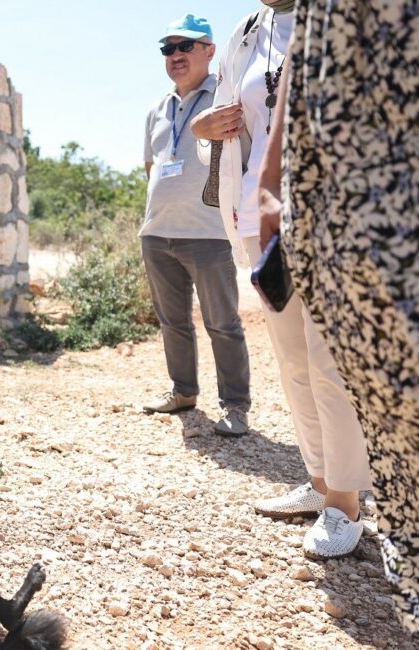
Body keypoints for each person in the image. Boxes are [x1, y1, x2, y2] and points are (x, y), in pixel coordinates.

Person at [258, 0, 419, 631]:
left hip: (386, 198)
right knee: (313, 366)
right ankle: (331, 485)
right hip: (321, 208)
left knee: (362, 378)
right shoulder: (307, 19)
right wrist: (268, 189)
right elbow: (294, 86)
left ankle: (348, 500)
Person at [191, 0, 373, 559]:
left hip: (333, 219)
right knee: (294, 362)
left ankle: (346, 502)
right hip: (259, 217)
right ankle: (320, 483)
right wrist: (203, 128)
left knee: (330, 362)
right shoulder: (248, 32)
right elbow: (226, 123)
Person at [139, 15, 252, 437]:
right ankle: (183, 392)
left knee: (222, 324)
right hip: (157, 234)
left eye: (185, 45)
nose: (176, 55)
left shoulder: (225, 97)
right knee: (173, 323)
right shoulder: (157, 108)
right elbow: (151, 167)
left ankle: (235, 408)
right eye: (168, 48)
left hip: (208, 233)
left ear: (210, 50)